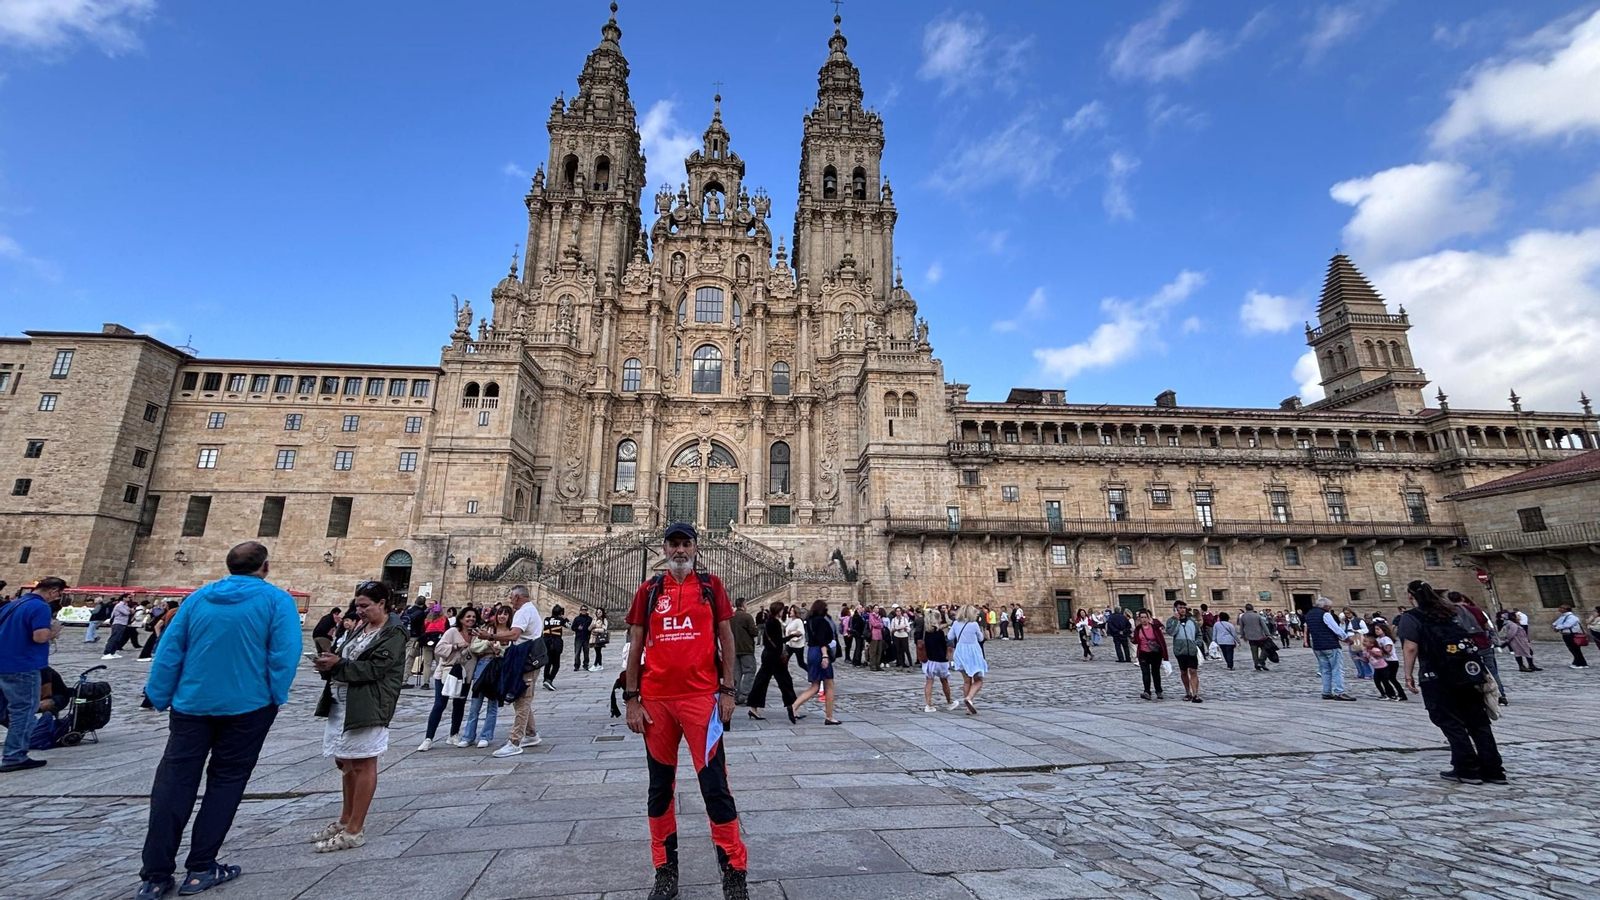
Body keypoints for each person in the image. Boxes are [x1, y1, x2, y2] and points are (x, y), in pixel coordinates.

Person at [136, 544, 300, 899]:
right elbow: (284, 654)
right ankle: (200, 868)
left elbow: (169, 650)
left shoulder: (198, 599)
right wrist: (275, 693)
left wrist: (160, 694)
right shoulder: (276, 601)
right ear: (266, 567)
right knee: (226, 782)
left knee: (173, 783)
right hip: (249, 705)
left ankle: (155, 875)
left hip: (192, 705)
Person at [621, 523, 749, 900]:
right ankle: (665, 871)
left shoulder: (711, 587)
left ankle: (734, 872)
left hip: (701, 701)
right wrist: (632, 697)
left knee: (716, 789)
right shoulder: (648, 591)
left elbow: (726, 639)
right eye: (674, 544)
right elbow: (635, 644)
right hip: (656, 703)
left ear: (695, 548)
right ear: (664, 548)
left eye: (686, 544)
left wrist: (728, 691)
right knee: (659, 789)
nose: (679, 550)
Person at [311, 580, 407, 852]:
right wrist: (329, 663)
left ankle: (355, 829)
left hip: (369, 702)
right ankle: (345, 819)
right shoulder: (362, 628)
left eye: (365, 606)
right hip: (343, 701)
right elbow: (347, 657)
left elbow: (376, 668)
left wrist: (339, 664)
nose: (359, 611)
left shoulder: (394, 632)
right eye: (357, 605)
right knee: (345, 762)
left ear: (382, 604)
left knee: (364, 763)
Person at [1399, 581, 1504, 785]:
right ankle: (1494, 770)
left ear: (1411, 596)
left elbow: (1410, 648)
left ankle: (1467, 768)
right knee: (1478, 722)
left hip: (1437, 676)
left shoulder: (1411, 617)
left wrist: (1408, 675)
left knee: (1450, 722)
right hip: (1468, 673)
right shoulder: (1454, 612)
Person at [1, 577, 64, 773]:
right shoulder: (40, 607)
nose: (57, 598)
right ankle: (14, 756)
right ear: (53, 591)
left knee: (9, 708)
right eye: (59, 594)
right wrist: (54, 630)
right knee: (24, 711)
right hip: (22, 665)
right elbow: (39, 636)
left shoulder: (14, 604)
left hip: (4, 663)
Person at [477, 585, 545, 757]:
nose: (510, 601)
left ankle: (514, 742)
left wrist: (490, 636)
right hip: (527, 658)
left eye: (510, 597)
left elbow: (514, 635)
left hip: (526, 660)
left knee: (522, 698)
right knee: (522, 699)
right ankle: (531, 734)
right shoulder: (532, 609)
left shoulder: (523, 612)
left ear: (516, 597)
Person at [419, 607, 478, 751]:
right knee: (440, 704)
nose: (471, 619)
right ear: (462, 618)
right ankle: (428, 738)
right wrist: (456, 646)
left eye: (474, 617)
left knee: (459, 704)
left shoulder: (476, 635)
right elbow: (439, 649)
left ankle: (454, 734)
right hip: (447, 672)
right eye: (468, 616)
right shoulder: (452, 632)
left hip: (465, 675)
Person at [789, 598, 841, 725]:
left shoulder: (810, 620)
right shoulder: (821, 621)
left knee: (815, 686)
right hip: (820, 652)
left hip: (812, 651)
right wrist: (824, 656)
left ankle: (793, 706)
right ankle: (829, 717)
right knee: (829, 685)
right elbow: (822, 640)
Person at [461, 605, 506, 748]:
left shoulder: (511, 632)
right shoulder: (487, 629)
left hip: (498, 665)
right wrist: (488, 643)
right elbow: (474, 647)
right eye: (500, 613)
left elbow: (510, 652)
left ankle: (486, 736)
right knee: (475, 702)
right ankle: (468, 736)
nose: (502, 616)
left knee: (492, 703)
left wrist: (499, 650)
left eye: (506, 614)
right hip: (483, 663)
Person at [1450, 593, 1505, 706]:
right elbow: (1487, 626)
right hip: (1483, 643)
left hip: (1467, 645)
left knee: (1470, 670)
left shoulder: (1451, 611)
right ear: (1462, 598)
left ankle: (1478, 695)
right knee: (1492, 670)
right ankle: (1501, 695)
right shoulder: (1475, 610)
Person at [746, 601, 797, 720]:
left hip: (767, 655)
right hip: (774, 657)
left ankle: (753, 708)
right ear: (779, 611)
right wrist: (792, 636)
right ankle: (792, 706)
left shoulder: (769, 621)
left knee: (761, 682)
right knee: (785, 681)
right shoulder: (775, 623)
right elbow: (779, 641)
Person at [1306, 597, 1357, 701]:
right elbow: (1336, 628)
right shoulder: (1325, 614)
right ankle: (1339, 692)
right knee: (1337, 669)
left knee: (1325, 669)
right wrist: (1346, 638)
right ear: (1326, 607)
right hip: (1330, 644)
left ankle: (1326, 691)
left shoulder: (1309, 614)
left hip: (1317, 645)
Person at [948, 604, 987, 714]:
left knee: (966, 681)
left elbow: (950, 637)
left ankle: (968, 707)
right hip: (973, 652)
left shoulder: (955, 623)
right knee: (978, 680)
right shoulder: (974, 624)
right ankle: (969, 698)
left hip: (960, 651)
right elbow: (981, 638)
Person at [1164, 601, 1204, 703]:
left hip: (1191, 649)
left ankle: (1195, 694)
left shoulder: (1192, 621)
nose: (1182, 609)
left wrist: (1197, 643)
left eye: (1183, 607)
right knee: (1183, 672)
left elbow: (1199, 634)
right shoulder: (1171, 621)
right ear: (1175, 609)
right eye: (1180, 608)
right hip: (1180, 650)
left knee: (1193, 671)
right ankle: (1188, 692)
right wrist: (1176, 621)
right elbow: (1171, 632)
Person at [1133, 609, 1168, 700]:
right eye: (1142, 617)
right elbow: (1136, 640)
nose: (1144, 619)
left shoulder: (1154, 627)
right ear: (1139, 619)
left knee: (1155, 672)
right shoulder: (1138, 629)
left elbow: (1161, 641)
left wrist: (1165, 656)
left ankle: (1158, 691)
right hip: (1143, 653)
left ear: (1148, 618)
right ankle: (1147, 691)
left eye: (1145, 617)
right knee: (1145, 673)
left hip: (1155, 653)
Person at [729, 598, 759, 704]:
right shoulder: (747, 616)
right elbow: (754, 631)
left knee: (736, 672)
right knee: (750, 671)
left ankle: (735, 694)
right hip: (746, 648)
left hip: (734, 648)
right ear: (743, 604)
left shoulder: (731, 617)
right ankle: (744, 694)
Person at [922, 618, 953, 712]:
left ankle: (928, 704)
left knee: (929, 682)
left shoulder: (926, 633)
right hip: (941, 660)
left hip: (930, 660)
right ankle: (949, 702)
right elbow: (944, 646)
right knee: (944, 681)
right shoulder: (939, 633)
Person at [1367, 628, 1405, 701]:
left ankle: (1401, 694)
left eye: (1378, 629)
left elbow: (1388, 650)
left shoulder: (1386, 639)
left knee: (1391, 678)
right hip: (1384, 661)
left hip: (1391, 661)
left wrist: (1378, 650)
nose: (1376, 631)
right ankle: (1390, 694)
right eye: (1375, 629)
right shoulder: (1378, 639)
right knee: (1384, 679)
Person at [1237, 604, 1273, 671]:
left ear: (1246, 609)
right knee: (1265, 649)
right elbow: (1263, 625)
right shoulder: (1257, 615)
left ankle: (1256, 664)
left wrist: (1243, 636)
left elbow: (1241, 627)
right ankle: (1261, 661)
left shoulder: (1243, 617)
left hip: (1250, 637)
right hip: (1260, 636)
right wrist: (1268, 634)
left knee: (1254, 651)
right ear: (1252, 608)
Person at [541, 604, 569, 690]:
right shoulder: (561, 620)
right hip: (556, 643)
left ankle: (545, 679)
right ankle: (549, 680)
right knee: (556, 664)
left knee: (548, 663)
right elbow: (569, 625)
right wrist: (565, 618)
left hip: (546, 643)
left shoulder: (546, 619)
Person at [102, 593, 137, 659]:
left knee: (118, 639)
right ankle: (107, 653)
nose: (130, 599)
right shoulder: (119, 605)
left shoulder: (126, 605)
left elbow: (131, 612)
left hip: (123, 623)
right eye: (129, 597)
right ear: (124, 598)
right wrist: (130, 610)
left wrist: (130, 610)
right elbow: (127, 612)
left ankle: (113, 652)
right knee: (114, 638)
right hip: (118, 623)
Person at [572, 606, 593, 674]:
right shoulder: (577, 619)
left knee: (586, 652)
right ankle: (576, 665)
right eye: (582, 610)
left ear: (587, 611)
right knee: (577, 652)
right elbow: (573, 627)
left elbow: (592, 628)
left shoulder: (590, 619)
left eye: (585, 610)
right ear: (580, 610)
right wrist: (577, 628)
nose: (584, 611)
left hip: (586, 637)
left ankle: (586, 664)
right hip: (578, 637)